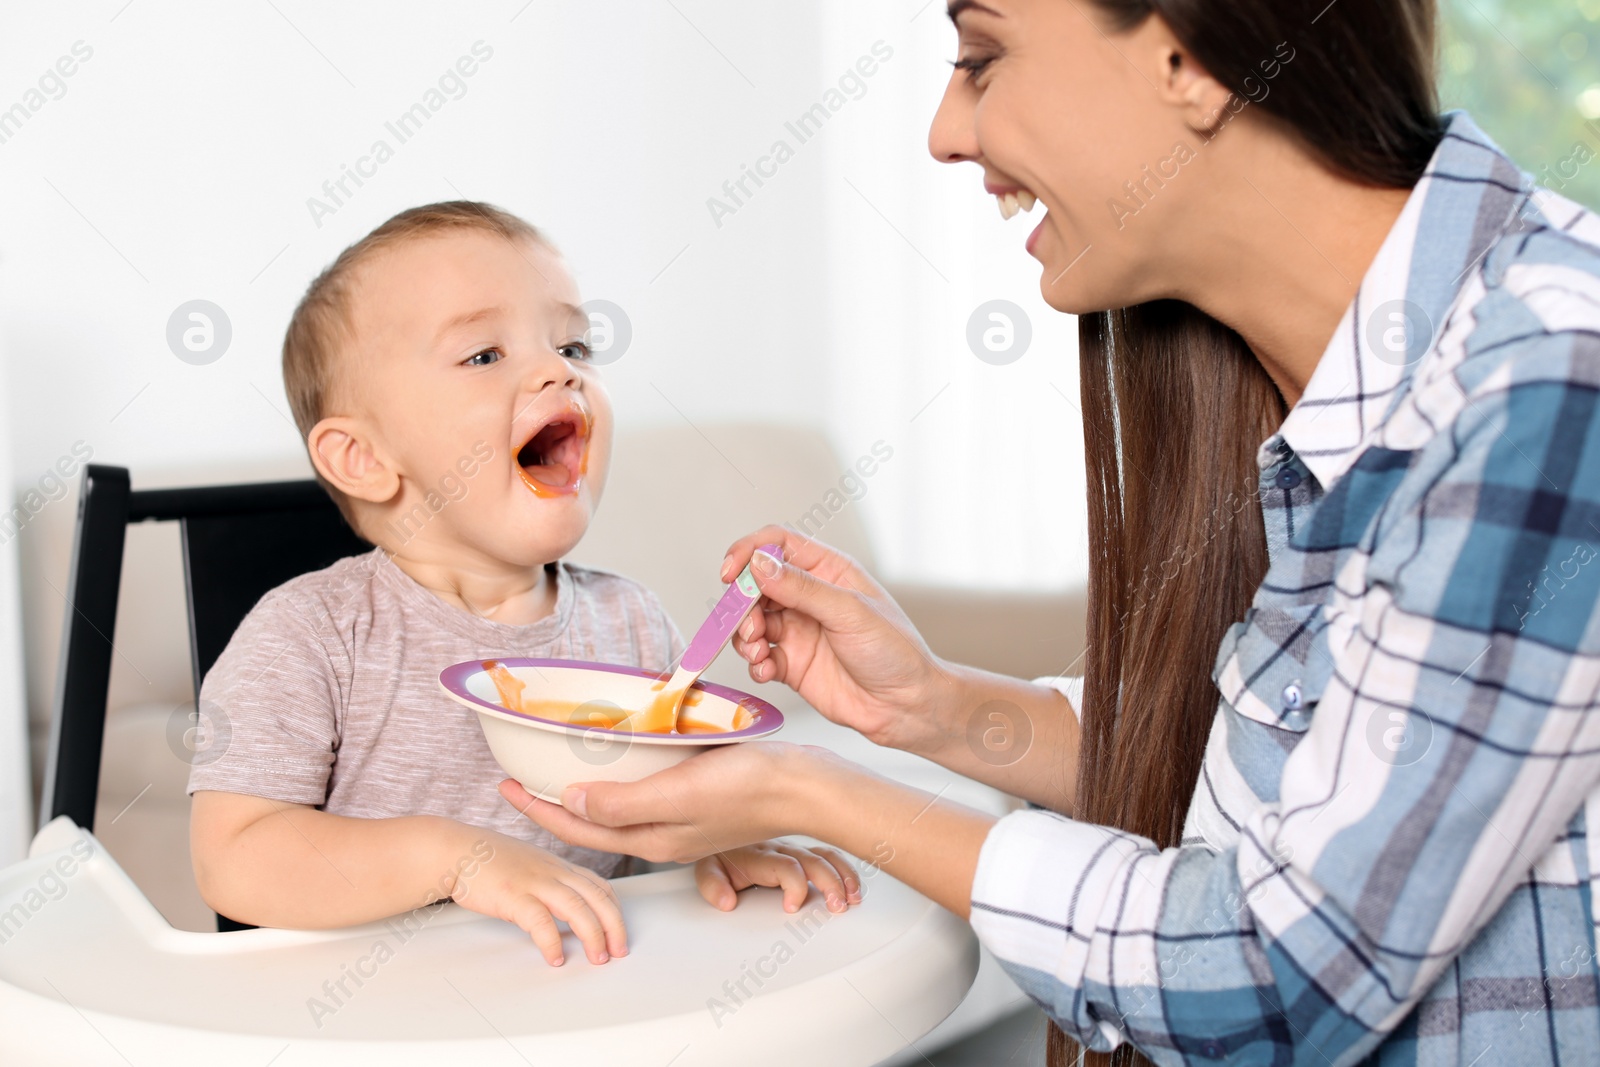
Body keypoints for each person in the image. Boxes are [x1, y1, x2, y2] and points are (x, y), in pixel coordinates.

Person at [508, 0, 1600, 1062]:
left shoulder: (1552, 378)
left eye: (981, 54)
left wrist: (811, 789)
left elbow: (1281, 975)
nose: (942, 132)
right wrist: (942, 708)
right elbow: (1315, 779)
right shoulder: (1343, 383)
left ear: (1190, 59)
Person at [186, 202, 859, 970]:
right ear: (364, 458)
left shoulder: (631, 623)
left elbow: (672, 811)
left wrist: (719, 847)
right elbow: (234, 857)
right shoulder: (310, 634)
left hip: (575, 1004)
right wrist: (456, 858)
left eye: (573, 342)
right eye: (483, 355)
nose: (558, 368)